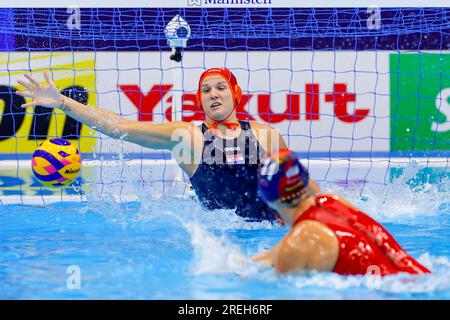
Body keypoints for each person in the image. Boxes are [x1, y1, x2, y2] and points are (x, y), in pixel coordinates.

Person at [17, 69, 319, 221]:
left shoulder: (266, 136)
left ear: (235, 93)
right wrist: (62, 103)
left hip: (269, 233)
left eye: (220, 87)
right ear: (199, 99)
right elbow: (119, 126)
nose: (213, 94)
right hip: (220, 240)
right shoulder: (189, 137)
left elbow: (302, 190)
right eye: (205, 90)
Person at [253, 148, 430, 276]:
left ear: (268, 198)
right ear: (306, 180)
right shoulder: (333, 202)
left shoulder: (301, 241)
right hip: (423, 279)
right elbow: (276, 254)